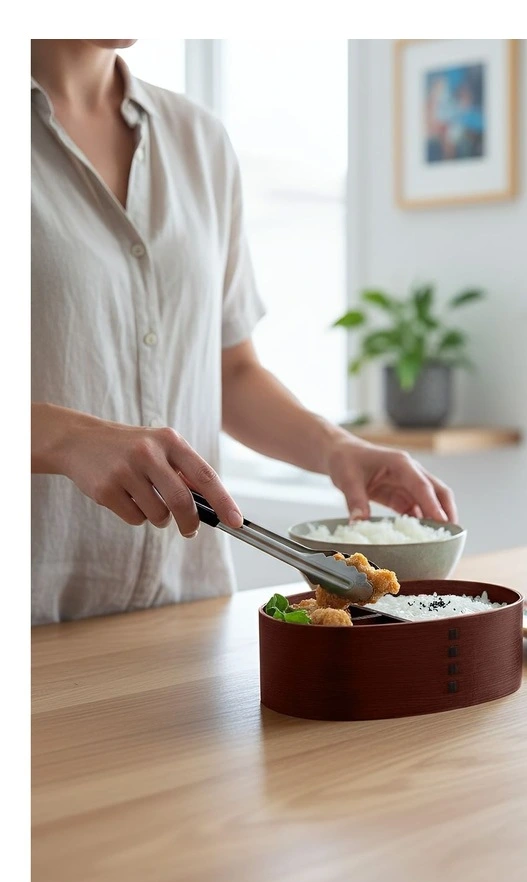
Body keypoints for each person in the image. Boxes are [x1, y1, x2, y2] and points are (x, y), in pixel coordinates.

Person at [31, 40, 457, 625]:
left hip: (188, 604)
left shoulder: (197, 139)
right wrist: (63, 438)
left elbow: (228, 371)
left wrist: (338, 449)